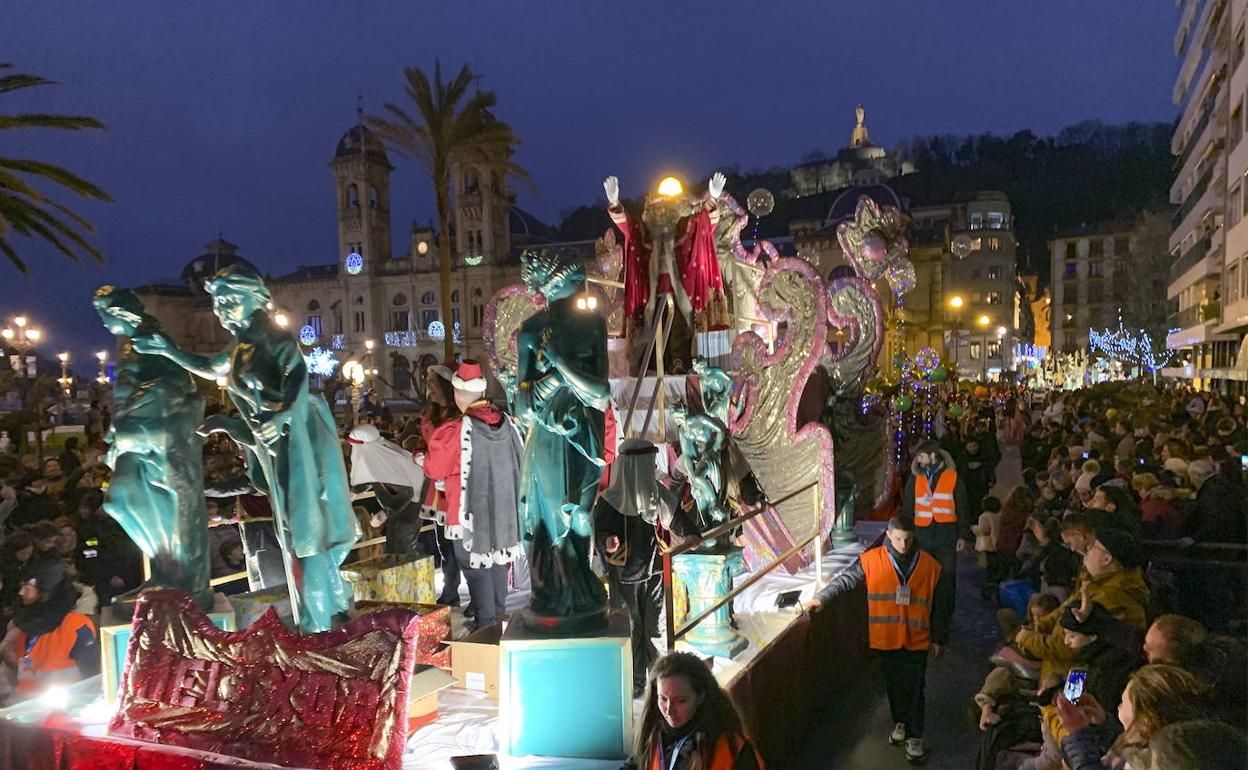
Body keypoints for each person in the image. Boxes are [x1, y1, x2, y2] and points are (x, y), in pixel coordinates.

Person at [803, 516, 943, 763]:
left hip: (917, 639)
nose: (903, 545)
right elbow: (847, 580)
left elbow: (942, 603)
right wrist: (823, 598)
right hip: (886, 639)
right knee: (894, 687)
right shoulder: (871, 560)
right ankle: (900, 722)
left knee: (915, 689)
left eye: (908, 539)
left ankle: (915, 736)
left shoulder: (930, 565)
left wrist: (940, 637)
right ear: (888, 535)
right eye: (898, 539)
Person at [421, 360, 524, 630]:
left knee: (475, 570)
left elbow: (435, 468)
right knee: (498, 563)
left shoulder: (456, 428)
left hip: (467, 511)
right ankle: (499, 619)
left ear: (457, 393)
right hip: (502, 511)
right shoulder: (507, 423)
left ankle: (486, 626)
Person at [1054, 664, 1208, 770]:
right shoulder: (1155, 746)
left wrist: (1077, 734)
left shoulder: (1151, 763)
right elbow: (1127, 749)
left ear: (1145, 720)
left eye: (1123, 702)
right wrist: (1103, 724)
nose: (1119, 707)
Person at [629, 651, 763, 770]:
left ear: (700, 697)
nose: (669, 710)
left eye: (681, 701)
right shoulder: (653, 729)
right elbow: (637, 762)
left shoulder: (732, 749)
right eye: (663, 699)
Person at [902, 440, 970, 649]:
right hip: (922, 536)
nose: (918, 461)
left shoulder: (952, 477)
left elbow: (962, 506)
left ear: (932, 455)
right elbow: (908, 508)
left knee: (945, 582)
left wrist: (962, 535)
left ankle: (941, 631)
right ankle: (923, 627)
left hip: (946, 536)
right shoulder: (915, 479)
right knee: (922, 583)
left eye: (921, 456)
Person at [0, 559, 99, 699]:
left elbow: (92, 675)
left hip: (70, 710)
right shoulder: (27, 628)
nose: (21, 592)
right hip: (30, 710)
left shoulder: (76, 625)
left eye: (27, 588)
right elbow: (27, 672)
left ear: (46, 592)